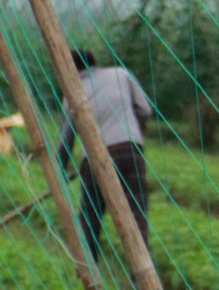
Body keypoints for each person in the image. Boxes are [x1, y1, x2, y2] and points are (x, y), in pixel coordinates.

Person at [55, 48, 154, 260]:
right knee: (136, 212)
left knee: (90, 216)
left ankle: (88, 268)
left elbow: (67, 140)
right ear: (93, 62)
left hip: (94, 159)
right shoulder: (121, 74)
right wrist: (133, 128)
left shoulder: (71, 93)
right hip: (129, 149)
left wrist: (59, 171)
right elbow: (145, 110)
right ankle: (142, 274)